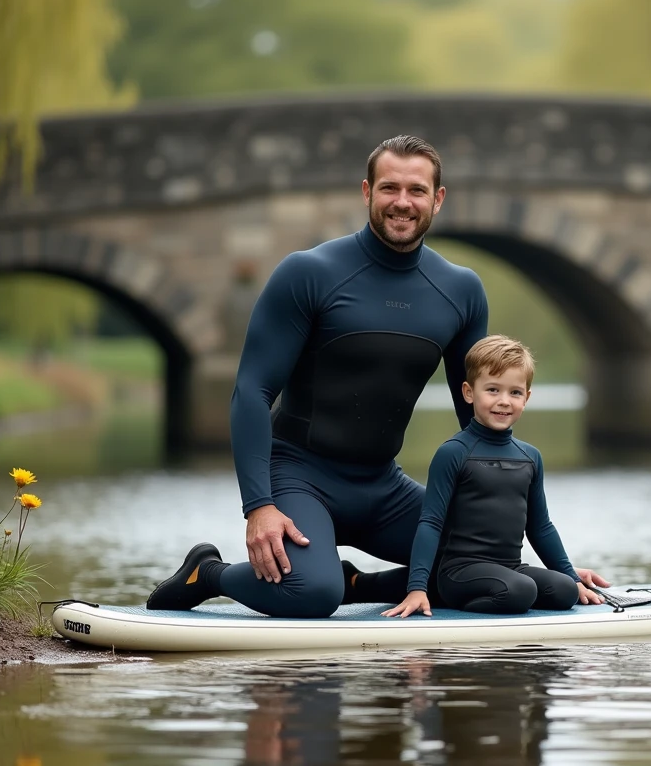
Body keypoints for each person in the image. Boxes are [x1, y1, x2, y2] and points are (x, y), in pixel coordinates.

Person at [146, 135, 610, 618]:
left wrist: (554, 566)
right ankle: (209, 573)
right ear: (367, 192)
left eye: (416, 190)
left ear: (438, 198)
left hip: (383, 487)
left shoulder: (461, 290)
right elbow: (252, 391)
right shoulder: (310, 273)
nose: (403, 203)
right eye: (390, 188)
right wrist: (259, 506)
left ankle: (358, 585)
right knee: (311, 593)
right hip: (300, 475)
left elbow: (472, 411)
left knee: (472, 566)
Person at [384, 335, 602, 618]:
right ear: (468, 392)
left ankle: (511, 596)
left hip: (509, 568)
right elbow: (431, 523)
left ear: (527, 397)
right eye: (492, 390)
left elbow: (541, 527)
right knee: (520, 591)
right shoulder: (454, 452)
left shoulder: (530, 457)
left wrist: (570, 576)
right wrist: (417, 587)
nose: (504, 401)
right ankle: (444, 600)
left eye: (515, 392)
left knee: (564, 592)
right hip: (459, 572)